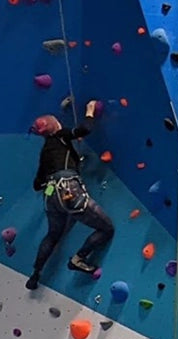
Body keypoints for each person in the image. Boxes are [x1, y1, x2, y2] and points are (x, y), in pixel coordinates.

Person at [26, 100, 114, 290]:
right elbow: (84, 129)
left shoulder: (46, 151)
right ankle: (79, 258)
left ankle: (35, 274)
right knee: (107, 228)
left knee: (52, 235)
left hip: (50, 196)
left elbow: (36, 184)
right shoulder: (60, 136)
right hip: (68, 189)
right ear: (55, 125)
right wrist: (90, 111)